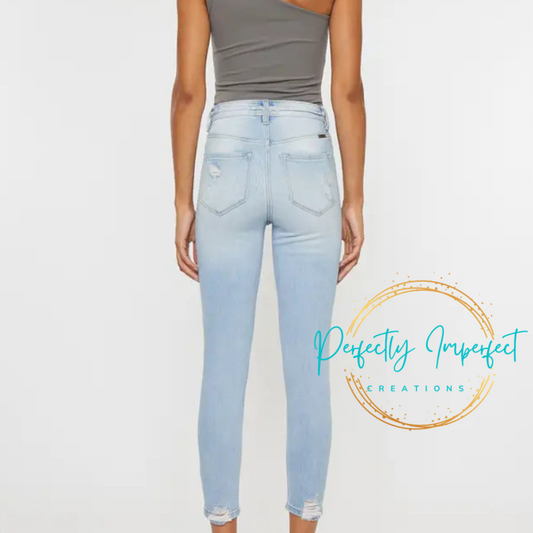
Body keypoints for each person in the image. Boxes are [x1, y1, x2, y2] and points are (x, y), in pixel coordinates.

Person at [170, 0, 365, 530]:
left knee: (222, 368)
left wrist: (183, 201)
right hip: (308, 152)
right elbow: (347, 90)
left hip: (228, 152)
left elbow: (189, 90)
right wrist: (353, 198)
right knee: (311, 371)